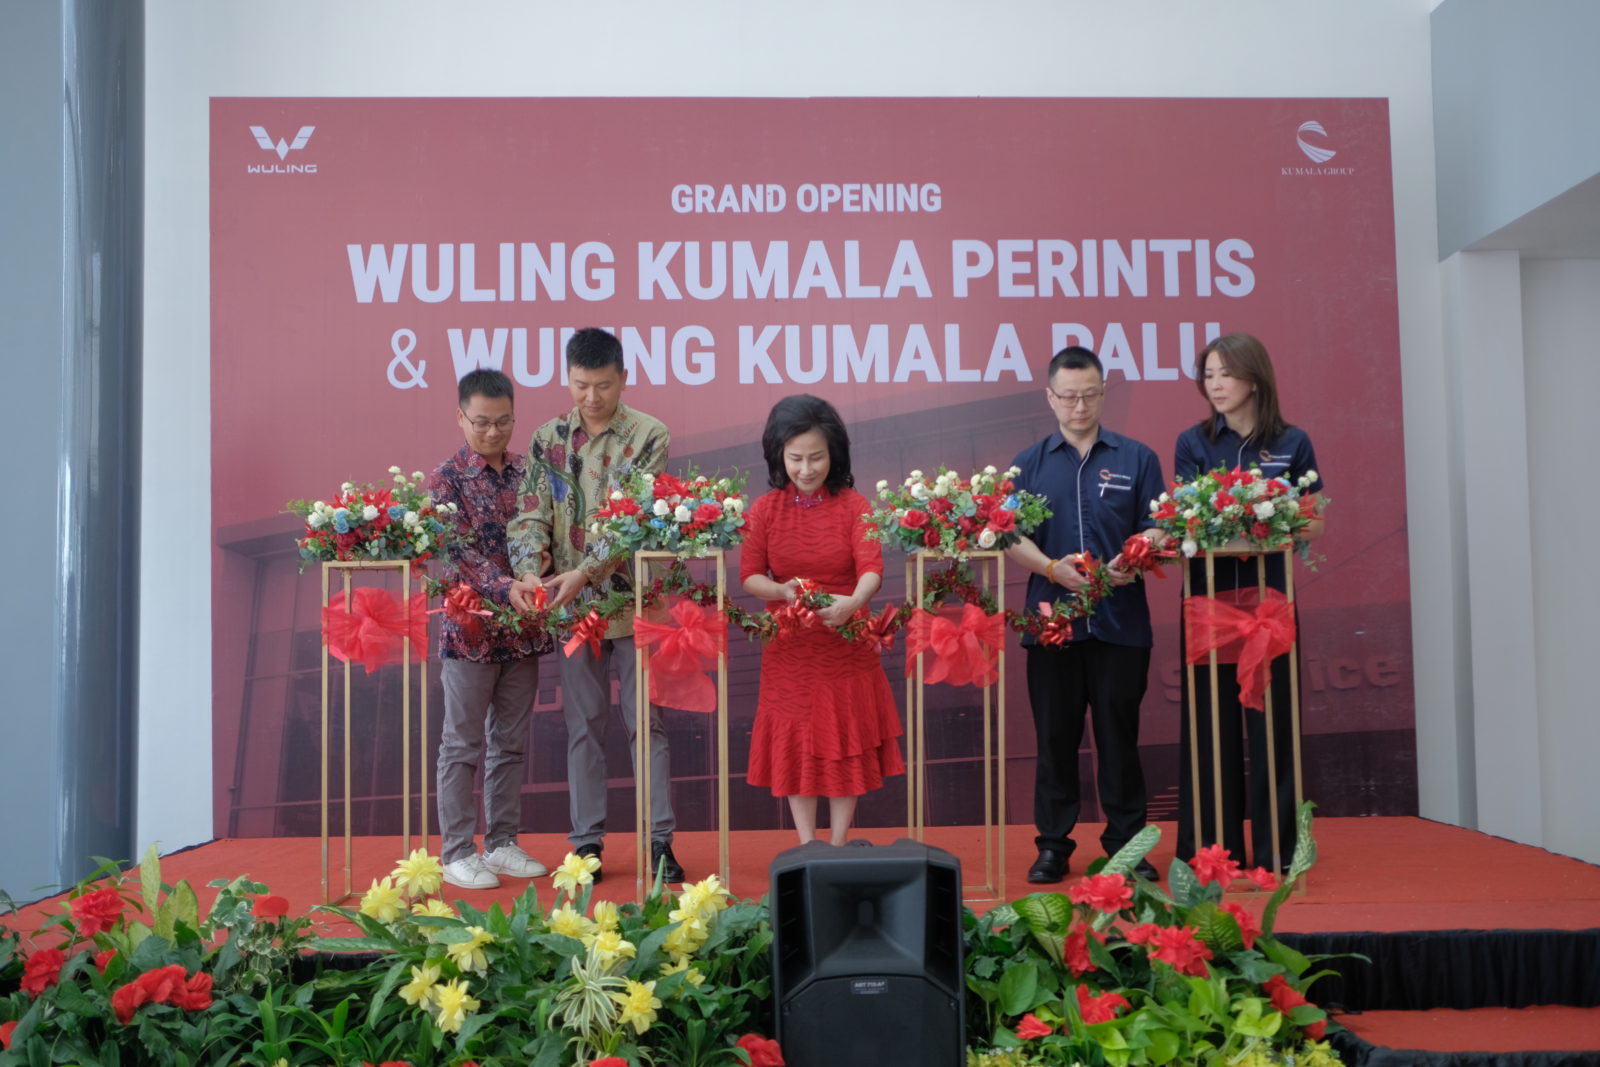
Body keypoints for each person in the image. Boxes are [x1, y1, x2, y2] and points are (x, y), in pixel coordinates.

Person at [506, 328, 683, 884]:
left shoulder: (650, 434)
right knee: (583, 724)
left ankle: (659, 842)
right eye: (580, 385)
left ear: (623, 378)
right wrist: (531, 569)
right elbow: (530, 514)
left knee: (645, 725)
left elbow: (634, 519)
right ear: (568, 377)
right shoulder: (547, 438)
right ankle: (586, 844)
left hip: (634, 602)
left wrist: (585, 571)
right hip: (570, 606)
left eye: (602, 386)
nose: (590, 397)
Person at [1006, 346, 1165, 884]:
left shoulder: (1137, 458)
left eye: (1090, 394)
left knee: (1120, 739)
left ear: (1104, 393)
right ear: (1050, 397)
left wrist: (1138, 553)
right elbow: (1008, 537)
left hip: (1121, 624)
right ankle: (1053, 846)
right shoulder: (1028, 463)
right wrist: (1053, 569)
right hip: (1051, 626)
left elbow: (1158, 523)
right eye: (1069, 396)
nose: (1080, 405)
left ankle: (1127, 847)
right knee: (1055, 741)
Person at [1173, 331, 1325, 872]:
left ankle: (1278, 851)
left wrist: (1273, 521)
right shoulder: (1193, 443)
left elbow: (1312, 519)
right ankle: (1212, 852)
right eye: (1207, 375)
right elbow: (1186, 526)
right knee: (1208, 728)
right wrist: (1248, 526)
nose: (1214, 385)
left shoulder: (1293, 442)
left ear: (1254, 378)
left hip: (1269, 606)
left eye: (1224, 374)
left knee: (1273, 727)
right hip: (1210, 604)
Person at [740, 394, 905, 845]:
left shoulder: (855, 506)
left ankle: (836, 846)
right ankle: (807, 846)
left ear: (835, 454)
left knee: (842, 746)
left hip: (845, 646)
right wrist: (780, 592)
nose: (807, 469)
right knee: (796, 748)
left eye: (817, 457)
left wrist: (853, 602)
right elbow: (749, 575)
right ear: (779, 456)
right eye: (796, 459)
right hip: (790, 650)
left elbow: (873, 567)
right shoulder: (765, 510)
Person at [427, 369, 553, 889]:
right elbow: (459, 556)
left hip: (522, 629)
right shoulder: (445, 479)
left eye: (503, 422)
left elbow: (544, 531)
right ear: (461, 416)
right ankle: (457, 851)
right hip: (470, 633)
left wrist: (543, 563)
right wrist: (508, 587)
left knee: (511, 744)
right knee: (461, 745)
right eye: (481, 422)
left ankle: (501, 843)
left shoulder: (529, 472)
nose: (493, 432)